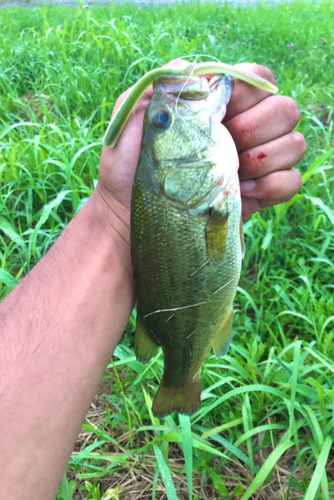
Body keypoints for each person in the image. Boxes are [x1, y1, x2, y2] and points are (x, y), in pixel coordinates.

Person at [0, 60, 306, 499]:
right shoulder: (171, 183)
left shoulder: (183, 174)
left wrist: (113, 218)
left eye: (159, 120)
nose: (164, 112)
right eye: (162, 121)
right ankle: (181, 378)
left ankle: (181, 371)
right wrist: (112, 214)